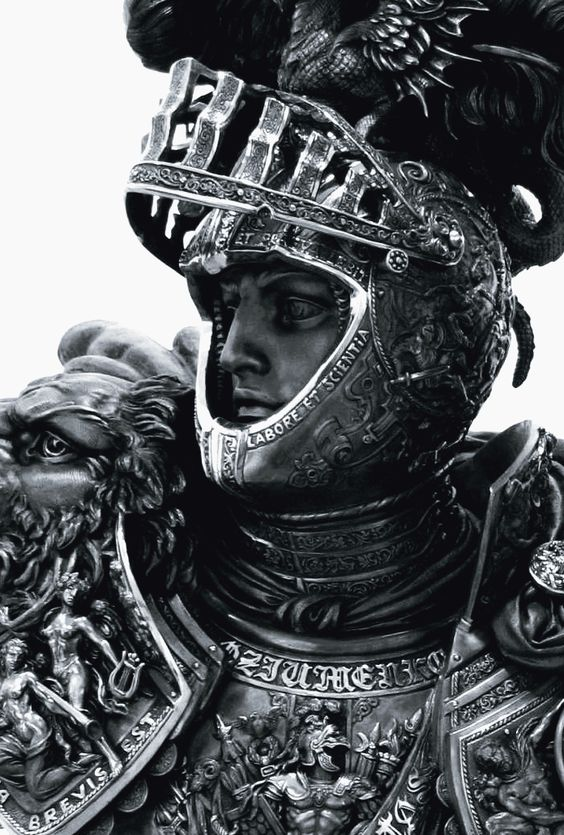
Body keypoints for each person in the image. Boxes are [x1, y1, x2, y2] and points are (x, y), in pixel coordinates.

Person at [4, 2, 564, 834]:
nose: (236, 353)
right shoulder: (81, 585)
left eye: (296, 307)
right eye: (225, 304)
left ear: (425, 333)